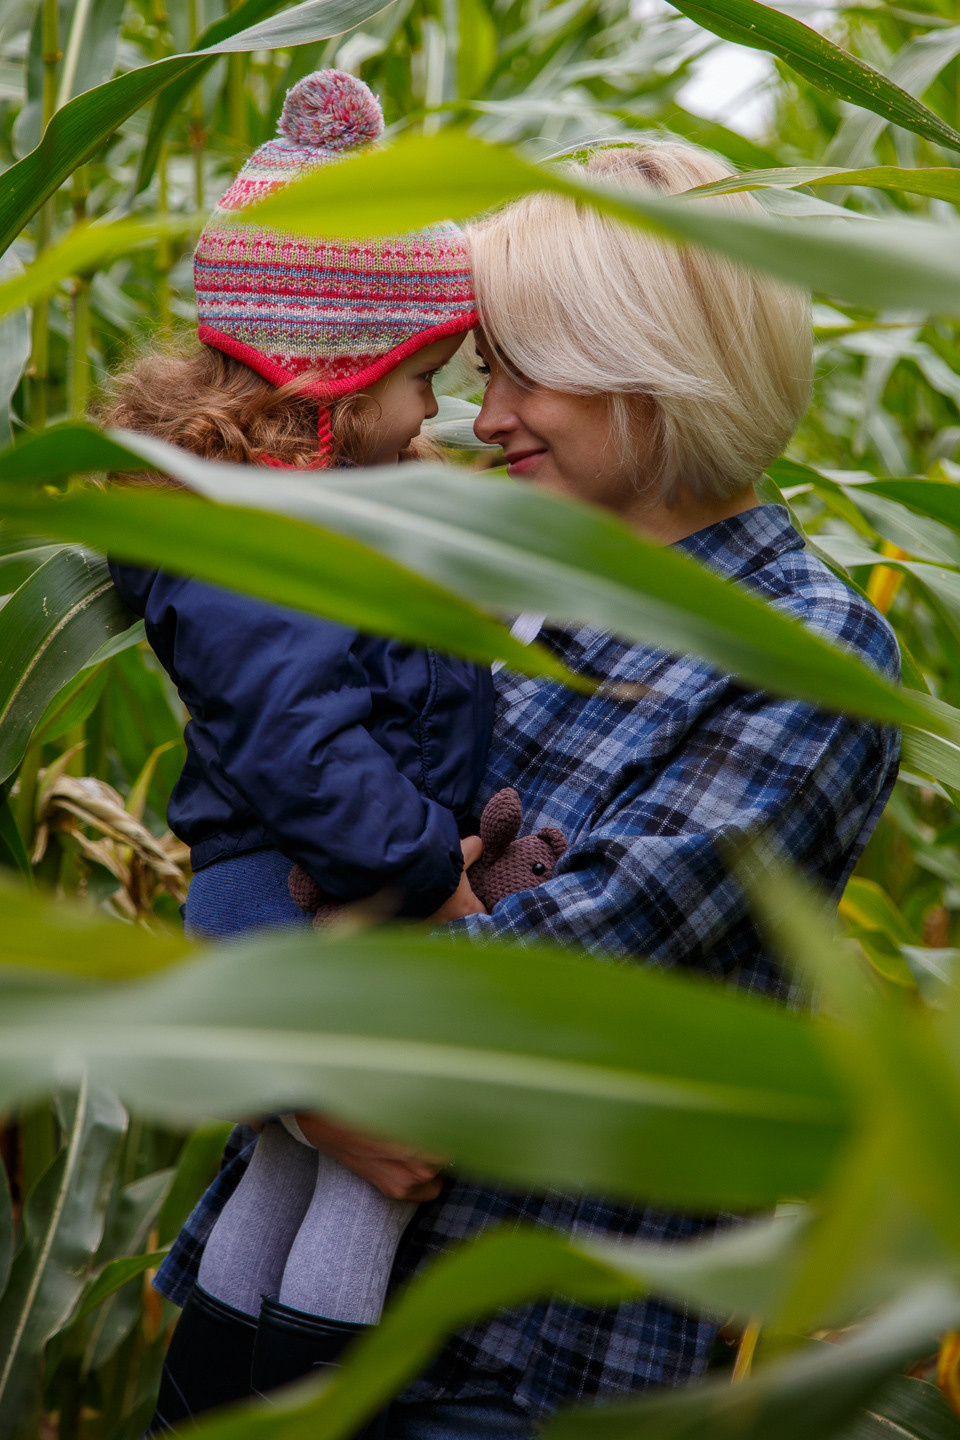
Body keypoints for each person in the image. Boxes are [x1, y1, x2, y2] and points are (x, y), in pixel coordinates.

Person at [155, 139, 901, 1440]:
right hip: (276, 1327)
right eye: (481, 371)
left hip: (524, 1373)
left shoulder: (806, 654)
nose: (483, 419)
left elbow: (555, 987)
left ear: (652, 361)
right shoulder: (479, 575)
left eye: (518, 372)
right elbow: (255, 829)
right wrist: (300, 1074)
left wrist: (289, 1026)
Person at [101, 70, 494, 1432]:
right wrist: (424, 875)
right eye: (421, 387)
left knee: (283, 1167)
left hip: (284, 877)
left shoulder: (277, 517)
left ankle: (214, 1401)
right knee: (370, 1176)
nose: (432, 421)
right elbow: (300, 737)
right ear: (330, 378)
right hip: (303, 882)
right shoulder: (262, 544)